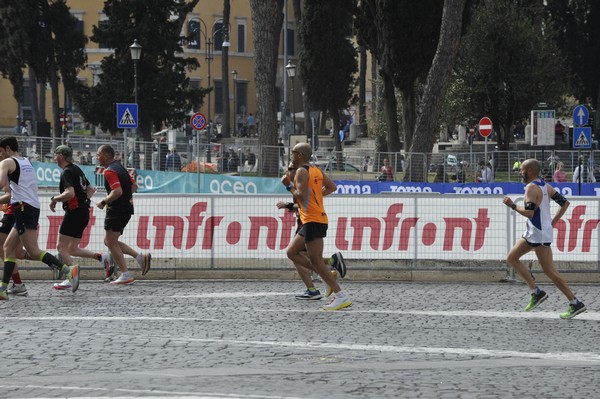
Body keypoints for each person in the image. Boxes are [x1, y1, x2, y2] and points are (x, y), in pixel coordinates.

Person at [502, 159, 586, 319]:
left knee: (549, 270)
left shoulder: (531, 188)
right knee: (512, 258)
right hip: (535, 232)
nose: (521, 172)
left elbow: (529, 213)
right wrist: (552, 222)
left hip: (538, 234)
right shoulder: (544, 185)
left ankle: (575, 302)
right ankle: (536, 291)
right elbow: (565, 203)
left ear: (530, 171)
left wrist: (512, 205)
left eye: (522, 170)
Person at [0, 137, 80, 300]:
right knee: (8, 248)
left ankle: (67, 270)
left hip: (23, 208)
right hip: (28, 208)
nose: (0, 156)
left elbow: (1, 183)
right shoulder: (25, 161)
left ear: (7, 148)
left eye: (0, 152)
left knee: (33, 251)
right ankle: (3, 289)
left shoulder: (7, 162)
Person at [282, 143, 352, 310]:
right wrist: (316, 197)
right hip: (313, 218)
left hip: (312, 219)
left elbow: (300, 196)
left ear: (300, 155)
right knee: (292, 252)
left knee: (317, 262)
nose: (291, 155)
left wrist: (288, 185)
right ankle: (329, 277)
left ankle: (340, 295)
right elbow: (331, 187)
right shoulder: (316, 170)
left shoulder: (301, 171)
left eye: (293, 153)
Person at [49, 145, 113, 291]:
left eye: (55, 155)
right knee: (72, 248)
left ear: (61, 156)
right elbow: (91, 189)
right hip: (84, 212)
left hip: (74, 212)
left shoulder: (66, 172)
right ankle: (101, 257)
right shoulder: (76, 169)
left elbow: (70, 193)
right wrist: (84, 202)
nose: (54, 158)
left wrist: (54, 199)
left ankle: (71, 275)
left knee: (61, 247)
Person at [96, 144, 151, 285]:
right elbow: (134, 186)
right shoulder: (121, 168)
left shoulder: (109, 171)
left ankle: (126, 274)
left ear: (106, 156)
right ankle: (140, 258)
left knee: (110, 241)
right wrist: (125, 199)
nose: (97, 157)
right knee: (109, 241)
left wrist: (103, 202)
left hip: (116, 209)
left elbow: (117, 191)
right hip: (127, 208)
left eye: (98, 154)